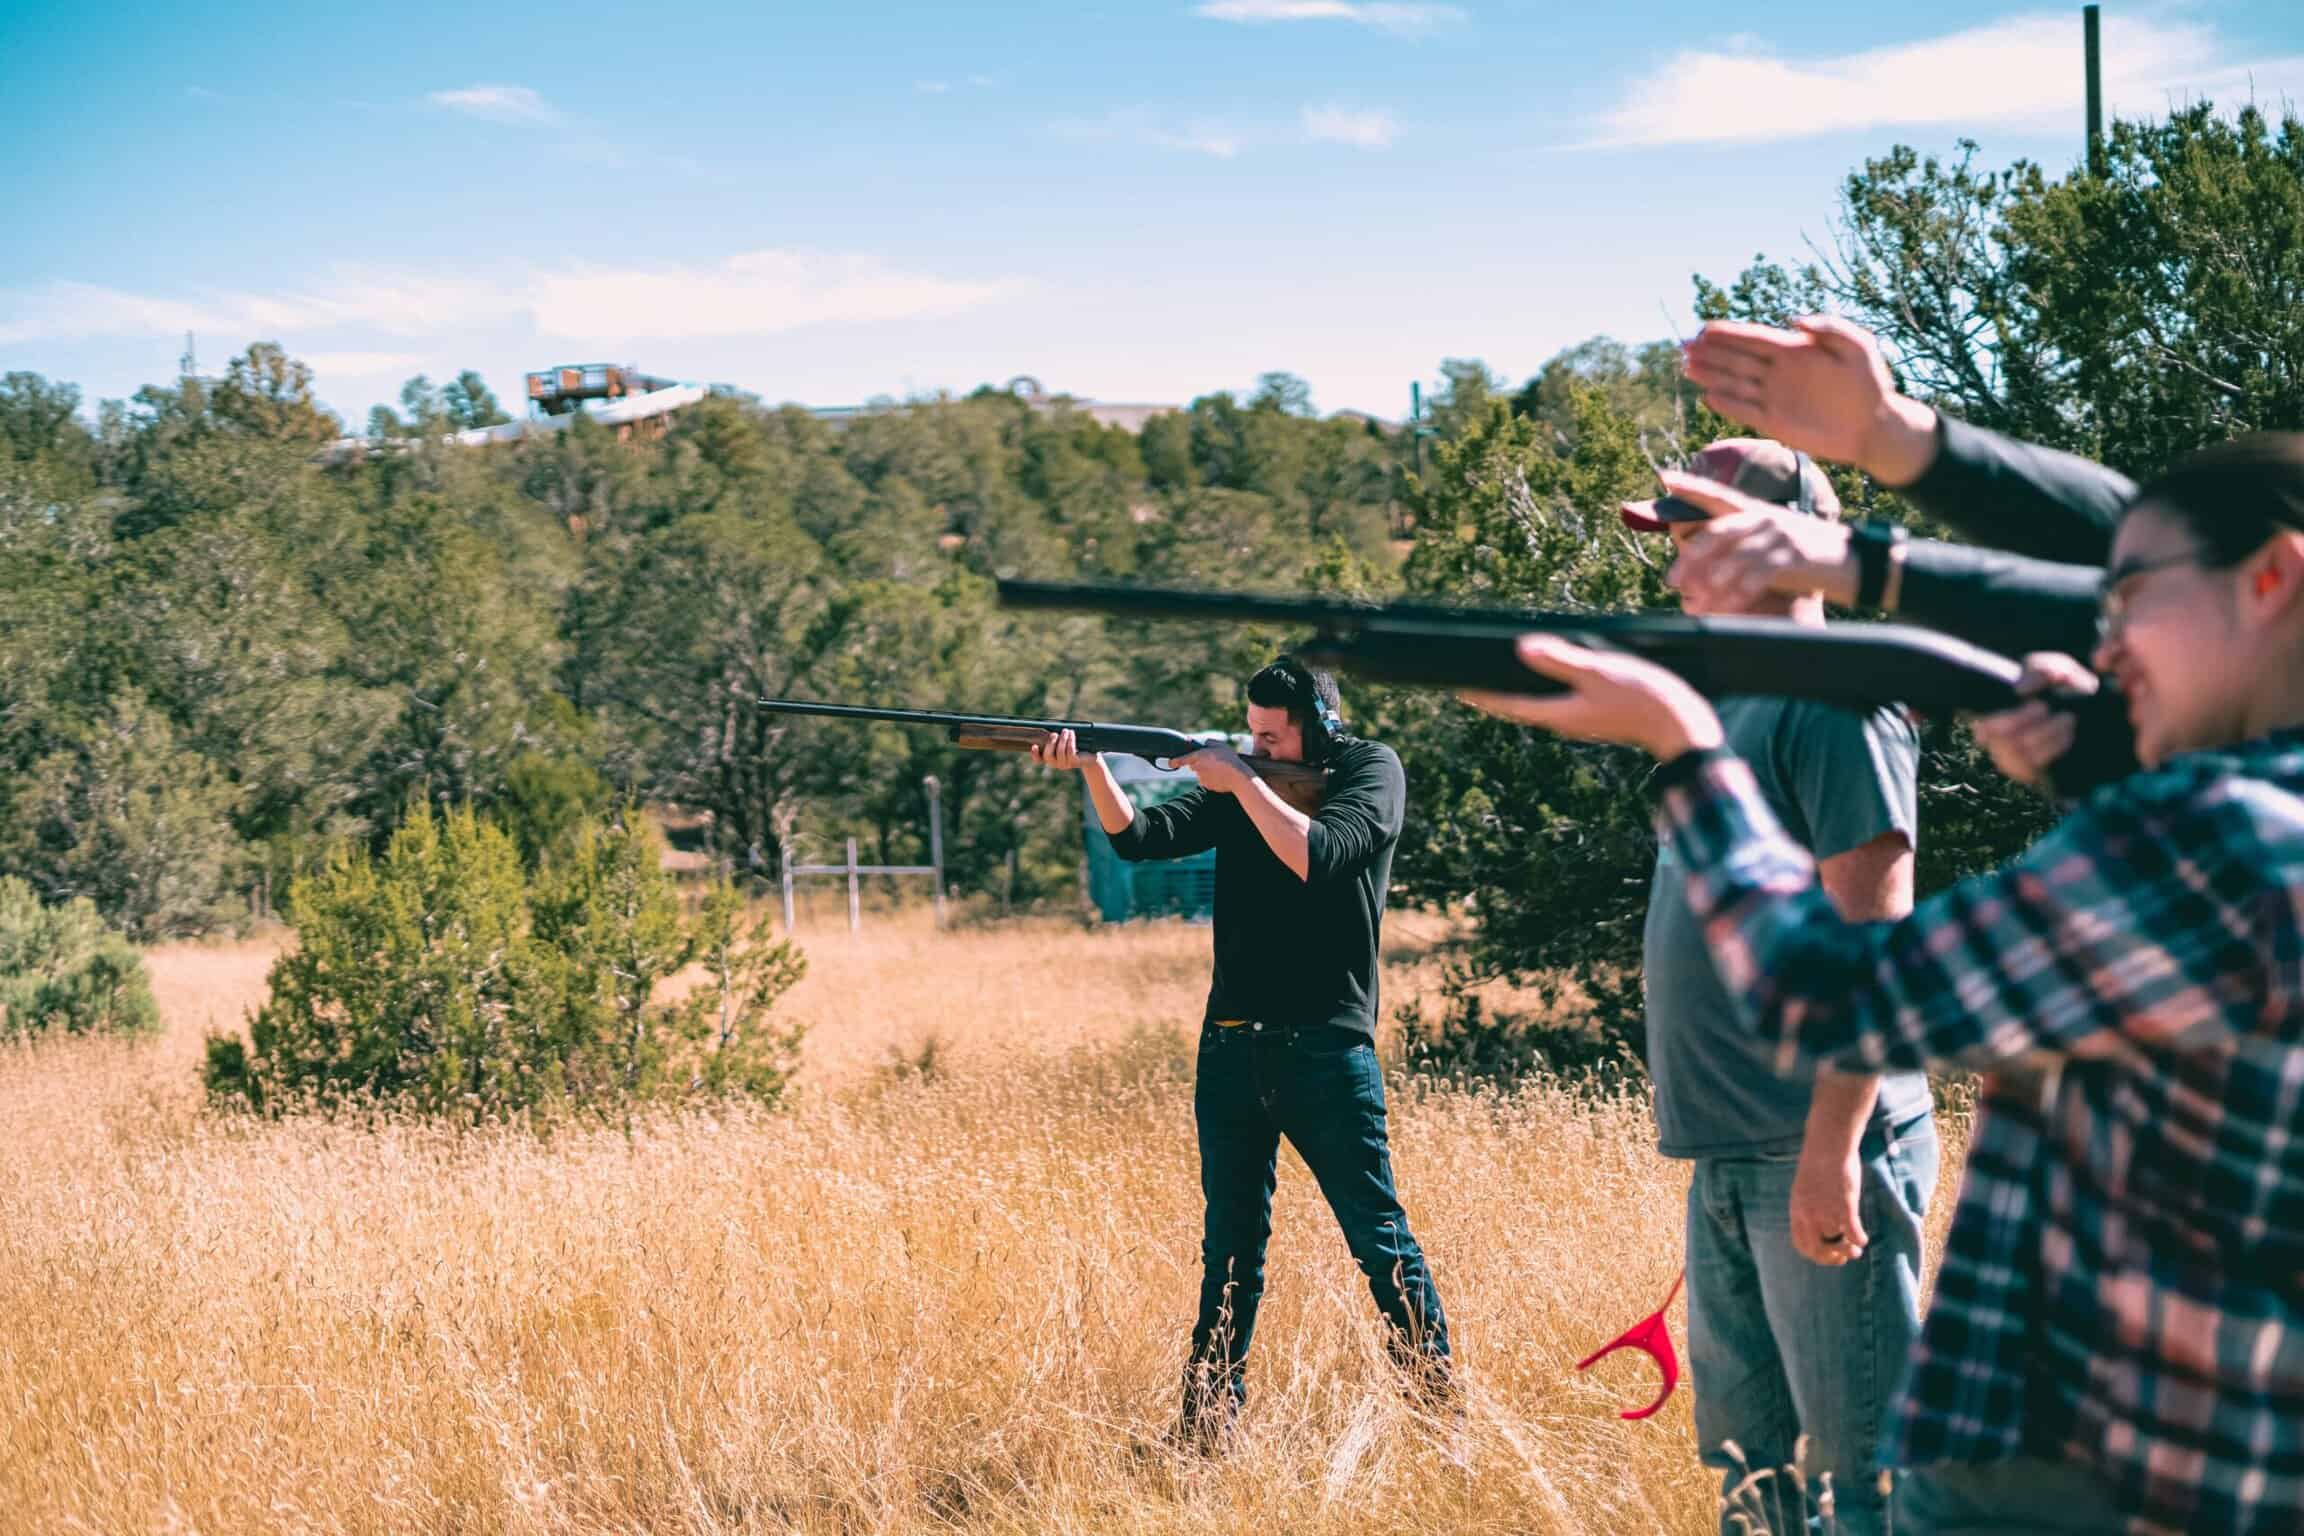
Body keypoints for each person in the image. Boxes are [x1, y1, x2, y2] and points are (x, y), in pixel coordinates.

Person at [1468, 432, 2304, 1535]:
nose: (2103, 642)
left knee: (1847, 1474)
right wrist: (2100, 767)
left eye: (2131, 595)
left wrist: (1684, 751)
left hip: (2077, 1459)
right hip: (2152, 1450)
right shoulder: (2234, 814)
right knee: (1760, 1467)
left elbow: (1836, 988)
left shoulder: (2211, 832)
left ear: (2272, 578)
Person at [1621, 437, 1936, 1536]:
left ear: (1784, 541)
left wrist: (1832, 1152)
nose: (1675, 566)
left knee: (1863, 1476)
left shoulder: (1836, 704)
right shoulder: (1727, 704)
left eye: (1694, 537)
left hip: (1815, 1149)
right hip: (1731, 1153)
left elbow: (1875, 947)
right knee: (1753, 1473)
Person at [1032, 658, 1449, 1447]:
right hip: (1229, 1048)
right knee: (1229, 1251)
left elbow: (1321, 854)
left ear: (1320, 727)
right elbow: (1138, 839)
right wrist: (1092, 768)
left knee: (1378, 1241)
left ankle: (1438, 1418)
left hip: (1325, 1049)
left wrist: (1239, 781)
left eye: (1272, 737)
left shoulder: (1370, 770)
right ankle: (1204, 1431)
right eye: (1250, 734)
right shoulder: (1245, 781)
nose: (1257, 748)